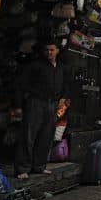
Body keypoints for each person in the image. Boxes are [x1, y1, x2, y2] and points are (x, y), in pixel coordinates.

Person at [14, 40, 70, 180]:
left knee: (46, 136)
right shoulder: (35, 66)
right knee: (29, 135)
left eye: (52, 50)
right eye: (47, 50)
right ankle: (22, 168)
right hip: (36, 102)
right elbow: (21, 85)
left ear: (57, 51)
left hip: (53, 105)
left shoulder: (61, 68)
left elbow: (66, 85)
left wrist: (63, 98)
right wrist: (18, 105)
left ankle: (39, 166)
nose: (49, 52)